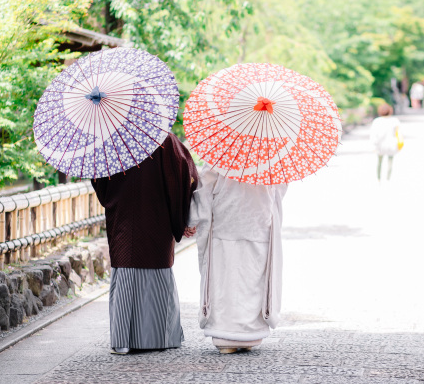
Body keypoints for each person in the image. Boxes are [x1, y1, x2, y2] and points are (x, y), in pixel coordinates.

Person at [91, 133, 198, 355]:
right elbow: (184, 173)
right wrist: (184, 216)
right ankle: (159, 337)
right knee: (157, 272)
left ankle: (123, 340)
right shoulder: (162, 138)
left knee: (126, 271)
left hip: (123, 217)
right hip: (157, 216)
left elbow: (98, 178)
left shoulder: (109, 138)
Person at [187, 168, 287, 354]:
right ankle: (250, 334)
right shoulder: (270, 159)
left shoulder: (221, 157)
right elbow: (279, 190)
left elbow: (205, 188)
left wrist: (192, 219)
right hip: (258, 222)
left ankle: (225, 335)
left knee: (224, 279)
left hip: (226, 220)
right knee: (253, 278)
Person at [370, 103, 401, 181]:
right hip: (391, 144)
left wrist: (373, 145)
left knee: (379, 162)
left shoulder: (377, 121)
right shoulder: (394, 121)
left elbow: (373, 134)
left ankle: (379, 178)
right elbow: (398, 133)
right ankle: (388, 178)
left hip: (380, 145)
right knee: (390, 162)